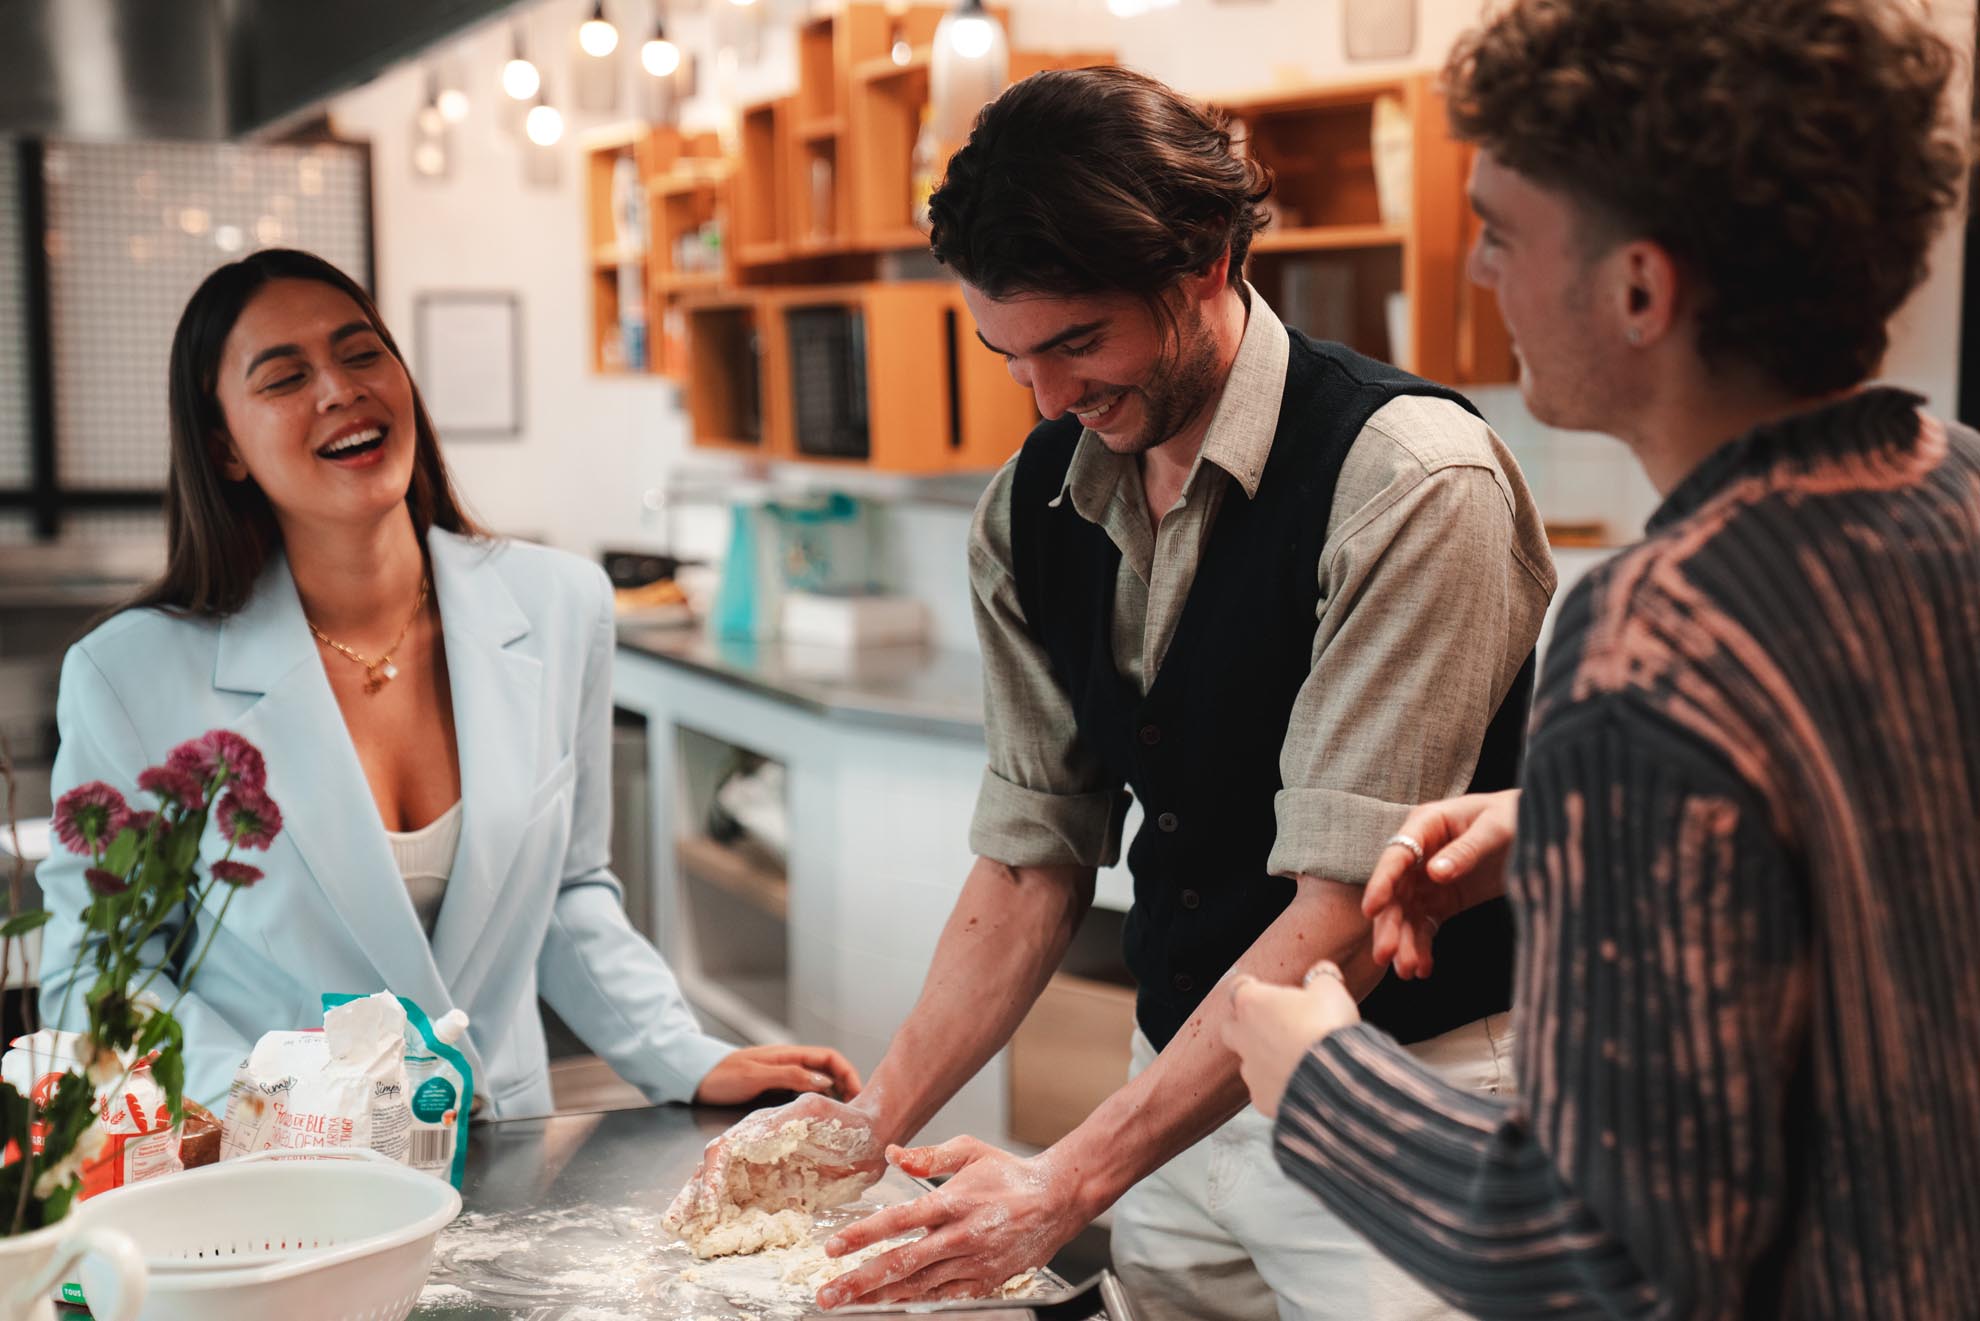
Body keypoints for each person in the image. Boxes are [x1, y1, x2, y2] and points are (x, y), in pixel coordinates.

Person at [672, 67, 1555, 1318]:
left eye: (1079, 342)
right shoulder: (1033, 504)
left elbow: (1345, 907)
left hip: (1409, 1089)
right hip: (1178, 1089)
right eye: (1010, 354)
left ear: (1205, 257)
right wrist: (870, 1125)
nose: (1048, 399)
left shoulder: (1411, 484)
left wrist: (1066, 1179)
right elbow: (1034, 859)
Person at [1223, 0, 1980, 1315]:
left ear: (1639, 288)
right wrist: (1577, 815)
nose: (1477, 273)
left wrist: (1319, 1078)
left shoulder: (1651, 643)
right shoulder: (1956, 488)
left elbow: (1602, 1248)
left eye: (1503, 233)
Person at [36, 248, 861, 1118]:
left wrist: (683, 1055)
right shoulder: (128, 676)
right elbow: (97, 980)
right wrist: (280, 1107)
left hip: (507, 1151)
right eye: (284, 378)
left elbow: (568, 895)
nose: (338, 390)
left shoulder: (560, 604)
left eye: (362, 354)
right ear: (225, 448)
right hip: (285, 1176)